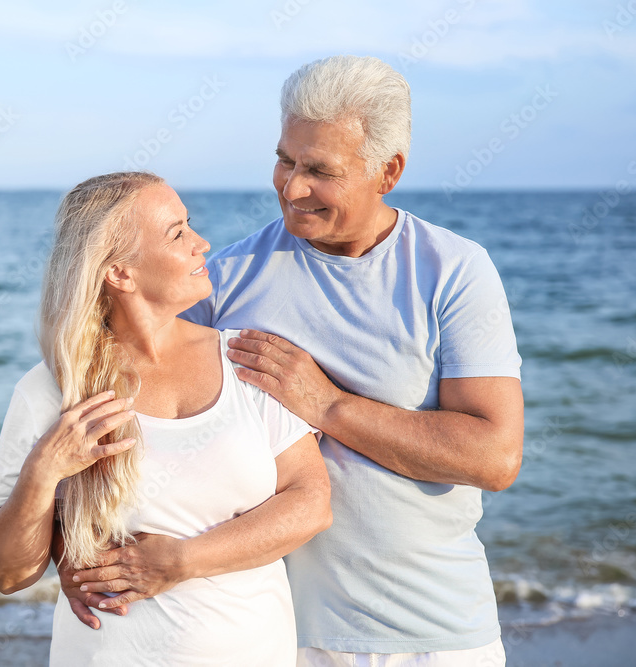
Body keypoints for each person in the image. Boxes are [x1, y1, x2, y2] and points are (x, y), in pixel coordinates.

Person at [67, 56, 523, 666]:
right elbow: (133, 413)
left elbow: (493, 457)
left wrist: (325, 403)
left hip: (435, 634)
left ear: (387, 171)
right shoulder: (225, 281)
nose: (293, 186)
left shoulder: (454, 272)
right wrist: (74, 548)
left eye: (320, 170)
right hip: (274, 635)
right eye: (285, 159)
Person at [0, 171, 331, 666]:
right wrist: (44, 470)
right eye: (176, 233)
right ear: (120, 272)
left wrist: (179, 563)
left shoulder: (245, 359)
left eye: (190, 224)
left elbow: (311, 503)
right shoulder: (52, 389)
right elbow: (8, 573)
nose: (201, 243)